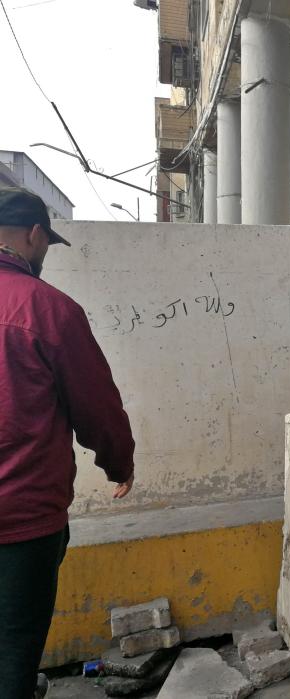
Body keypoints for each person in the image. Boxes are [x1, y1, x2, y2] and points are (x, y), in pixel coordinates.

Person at [0, 187, 135, 698]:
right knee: (13, 652)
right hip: (21, 521)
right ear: (35, 236)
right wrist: (119, 463)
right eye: (45, 245)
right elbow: (96, 406)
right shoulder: (48, 309)